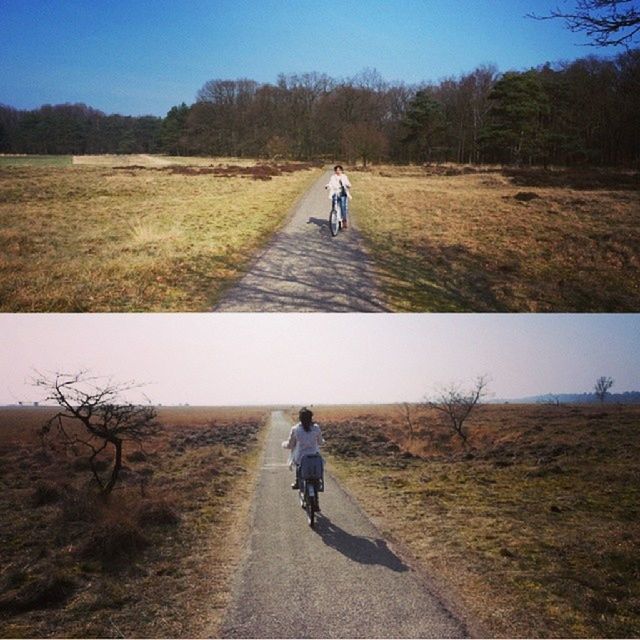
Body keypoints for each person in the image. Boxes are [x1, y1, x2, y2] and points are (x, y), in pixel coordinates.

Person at [282, 407, 324, 489]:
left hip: (301, 457)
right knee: (317, 463)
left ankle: (297, 482)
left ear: (300, 418)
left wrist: (283, 444)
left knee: (298, 464)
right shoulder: (316, 428)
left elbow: (290, 445)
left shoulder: (295, 429)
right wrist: (323, 441)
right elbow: (320, 442)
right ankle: (318, 481)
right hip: (314, 455)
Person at [325, 165, 352, 229]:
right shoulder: (333, 177)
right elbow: (330, 184)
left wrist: (348, 185)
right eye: (336, 170)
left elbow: (348, 183)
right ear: (335, 171)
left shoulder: (344, 177)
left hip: (342, 193)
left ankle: (344, 220)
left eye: (339, 170)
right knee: (334, 206)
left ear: (341, 170)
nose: (338, 171)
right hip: (335, 193)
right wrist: (327, 186)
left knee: (343, 207)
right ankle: (336, 218)